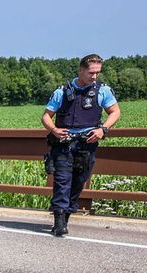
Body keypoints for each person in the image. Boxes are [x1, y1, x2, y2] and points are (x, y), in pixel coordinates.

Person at [42, 54, 120, 237]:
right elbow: (46, 116)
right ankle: (59, 222)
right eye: (91, 73)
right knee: (62, 181)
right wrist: (54, 130)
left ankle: (67, 215)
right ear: (81, 70)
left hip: (87, 144)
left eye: (97, 73)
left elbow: (115, 112)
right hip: (64, 143)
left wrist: (103, 129)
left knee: (79, 181)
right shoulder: (62, 91)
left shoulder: (103, 90)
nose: (94, 77)